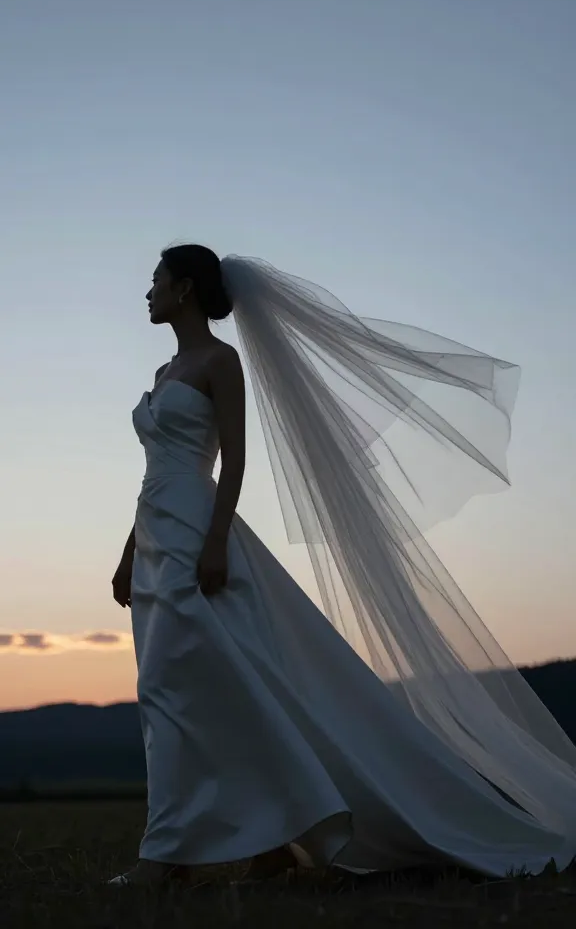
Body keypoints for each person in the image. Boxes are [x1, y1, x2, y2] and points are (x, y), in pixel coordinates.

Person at [110, 244, 576, 887]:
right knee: (183, 690)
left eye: (156, 280)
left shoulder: (222, 362)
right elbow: (150, 476)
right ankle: (265, 838)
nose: (148, 291)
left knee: (189, 689)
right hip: (156, 533)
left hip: (197, 532)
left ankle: (167, 855)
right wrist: (128, 554)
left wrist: (216, 540)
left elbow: (234, 461)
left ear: (185, 288)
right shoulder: (164, 374)